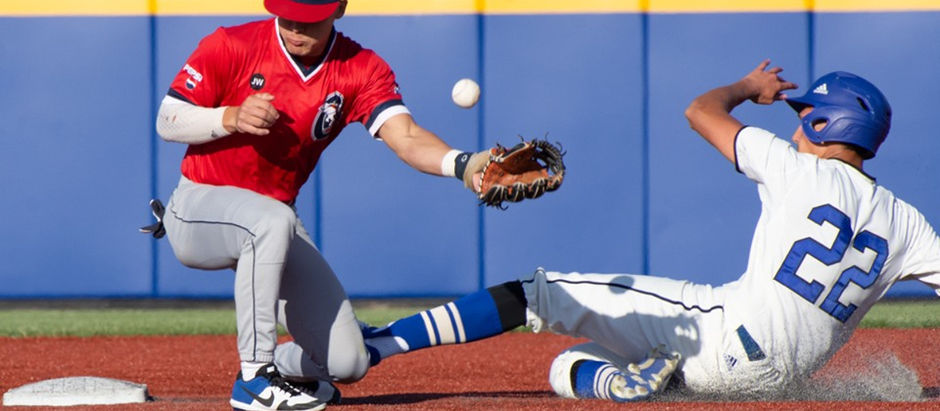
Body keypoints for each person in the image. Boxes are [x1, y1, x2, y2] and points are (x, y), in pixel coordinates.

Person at [361, 61, 940, 402]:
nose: (793, 130)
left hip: (718, 332)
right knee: (569, 369)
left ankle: (379, 344)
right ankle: (623, 385)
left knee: (534, 294)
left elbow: (699, 111)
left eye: (801, 118)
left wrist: (745, 87)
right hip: (770, 384)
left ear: (822, 122)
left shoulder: (796, 167)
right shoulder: (908, 223)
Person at [147, 0, 491, 409]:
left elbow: (407, 137)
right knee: (272, 219)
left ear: (339, 9)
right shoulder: (231, 45)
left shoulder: (359, 67)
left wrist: (464, 165)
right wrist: (230, 117)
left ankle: (284, 366)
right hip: (197, 208)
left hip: (273, 223)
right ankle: (256, 379)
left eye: (307, 19)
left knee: (349, 362)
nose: (294, 26)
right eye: (286, 13)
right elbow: (167, 120)